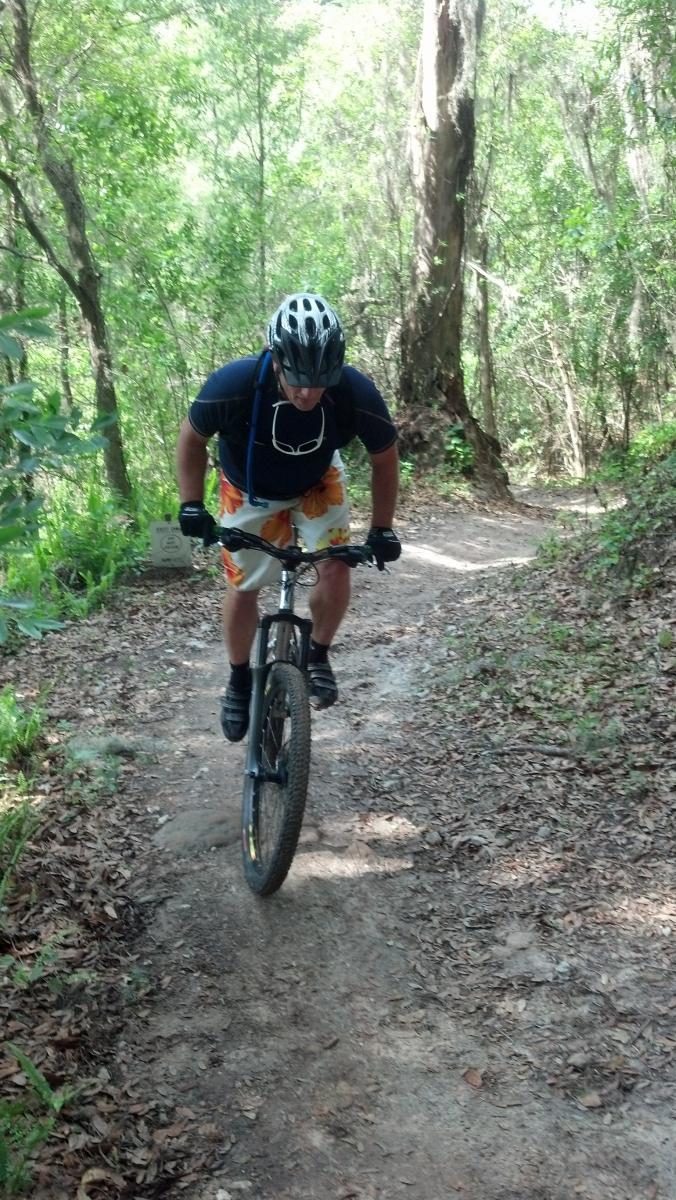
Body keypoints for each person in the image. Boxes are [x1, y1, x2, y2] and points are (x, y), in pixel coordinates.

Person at [176, 292, 401, 742]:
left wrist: (382, 529)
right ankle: (239, 679)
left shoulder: (353, 391)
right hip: (248, 488)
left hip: (318, 480)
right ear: (275, 360)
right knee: (243, 587)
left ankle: (317, 654)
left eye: (320, 381)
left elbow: (385, 458)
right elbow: (191, 441)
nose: (307, 392)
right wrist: (191, 504)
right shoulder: (234, 384)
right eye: (298, 379)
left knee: (336, 566)